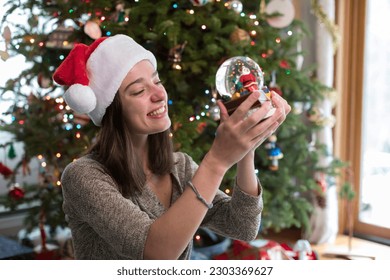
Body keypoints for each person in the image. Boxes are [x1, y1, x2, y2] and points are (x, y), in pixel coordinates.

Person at [53, 34, 291, 260]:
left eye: (157, 81)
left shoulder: (179, 166)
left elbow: (243, 226)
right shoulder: (83, 177)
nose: (159, 94)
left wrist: (247, 146)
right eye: (139, 90)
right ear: (112, 110)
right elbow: (157, 252)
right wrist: (217, 161)